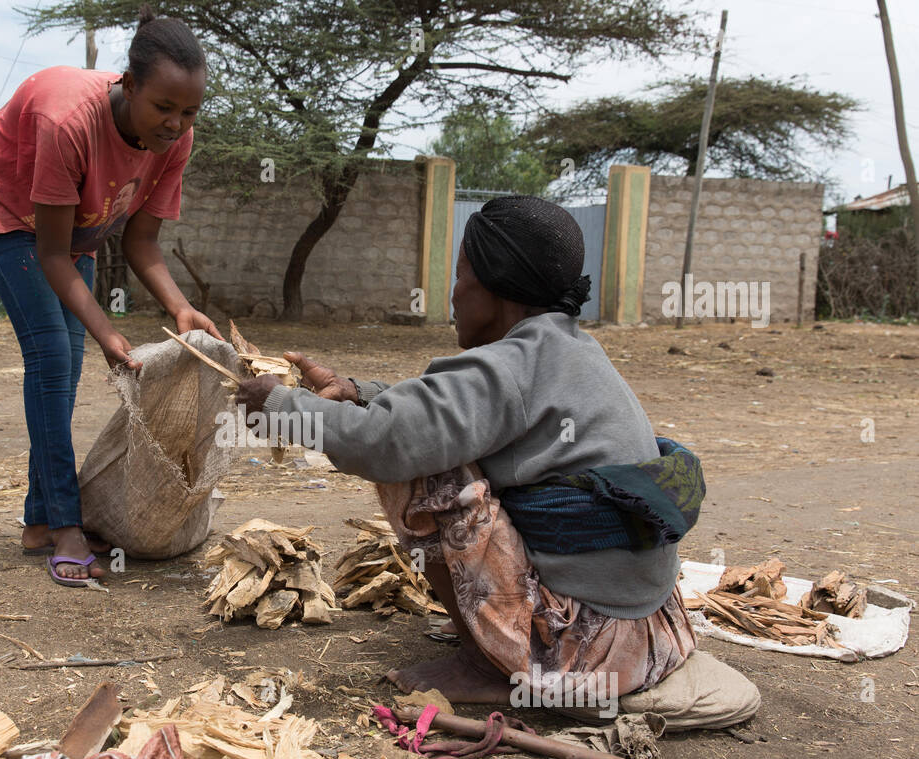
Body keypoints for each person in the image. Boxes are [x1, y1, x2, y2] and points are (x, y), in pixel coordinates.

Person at [236, 196, 758, 726]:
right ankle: (506, 641)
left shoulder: (514, 365)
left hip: (581, 653)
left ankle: (491, 665)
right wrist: (357, 392)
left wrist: (280, 406)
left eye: (461, 275)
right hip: (652, 635)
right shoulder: (570, 350)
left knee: (426, 468)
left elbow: (392, 440)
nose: (454, 293)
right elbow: (456, 412)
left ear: (495, 287)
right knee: (434, 443)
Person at [0, 7, 222, 587]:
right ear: (127, 85)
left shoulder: (175, 139)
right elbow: (52, 256)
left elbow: (143, 242)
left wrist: (179, 307)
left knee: (66, 364)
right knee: (54, 355)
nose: (175, 124)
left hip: (73, 222)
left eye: (189, 111)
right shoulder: (68, 123)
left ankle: (37, 522)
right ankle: (64, 522)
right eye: (163, 107)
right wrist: (108, 332)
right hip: (9, 207)